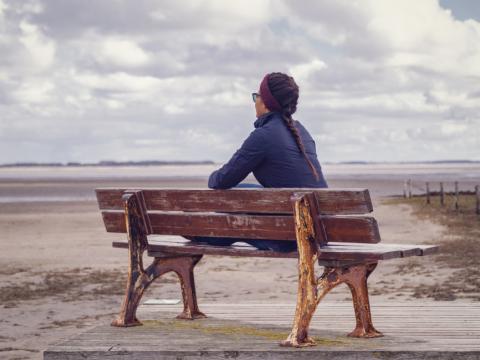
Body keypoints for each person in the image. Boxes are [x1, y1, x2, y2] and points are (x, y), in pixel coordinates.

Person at [187, 72, 328, 252]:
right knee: (247, 193)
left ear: (266, 102)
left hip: (290, 238)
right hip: (319, 230)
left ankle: (199, 231)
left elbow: (221, 180)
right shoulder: (302, 131)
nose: (255, 101)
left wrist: (212, 177)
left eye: (257, 96)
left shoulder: (263, 136)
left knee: (234, 197)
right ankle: (205, 230)